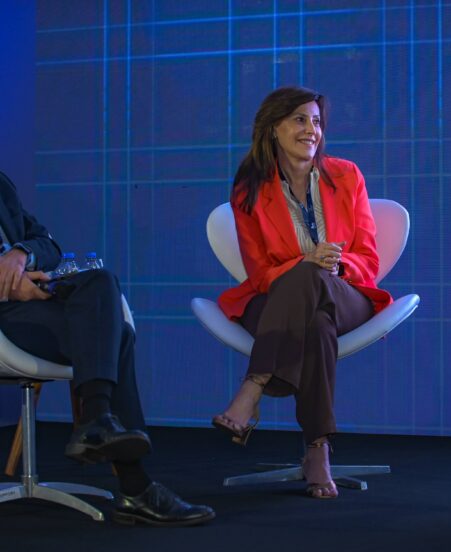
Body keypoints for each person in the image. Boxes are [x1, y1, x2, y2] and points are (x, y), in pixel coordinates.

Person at [0, 170, 215, 526]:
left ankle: (96, 420)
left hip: (31, 303)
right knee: (117, 337)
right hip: (5, 315)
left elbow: (46, 244)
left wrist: (21, 254)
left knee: (101, 282)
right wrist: (8, 285)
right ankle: (134, 486)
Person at [212, 86, 392, 499]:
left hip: (346, 293)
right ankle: (317, 447)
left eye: (316, 121)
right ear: (273, 128)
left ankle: (253, 387)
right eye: (299, 119)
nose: (311, 129)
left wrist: (334, 265)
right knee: (317, 322)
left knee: (316, 285)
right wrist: (305, 263)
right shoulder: (249, 190)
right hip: (277, 299)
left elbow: (368, 259)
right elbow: (260, 275)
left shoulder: (347, 175)